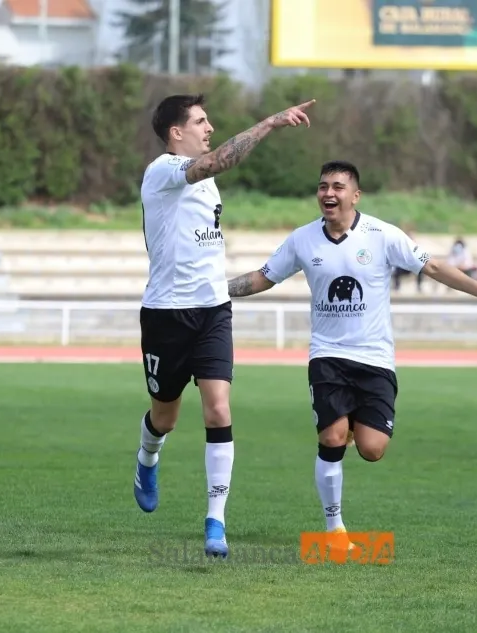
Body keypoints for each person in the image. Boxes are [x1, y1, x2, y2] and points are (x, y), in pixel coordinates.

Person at [225, 160, 477, 555]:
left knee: (372, 448)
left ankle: (349, 427)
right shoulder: (302, 240)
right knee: (331, 437)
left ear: (355, 195)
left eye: (338, 187)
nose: (328, 193)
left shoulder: (382, 235)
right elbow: (264, 276)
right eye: (323, 186)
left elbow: (432, 266)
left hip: (375, 357)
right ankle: (334, 528)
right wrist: (217, 290)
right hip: (328, 355)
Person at [133, 93, 316, 559]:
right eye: (200, 121)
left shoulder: (206, 184)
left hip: (213, 312)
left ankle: (215, 521)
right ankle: (147, 456)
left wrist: (226, 289)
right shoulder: (162, 171)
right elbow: (216, 161)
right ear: (176, 132)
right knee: (165, 417)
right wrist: (270, 123)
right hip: (166, 315)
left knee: (218, 410)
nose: (209, 127)